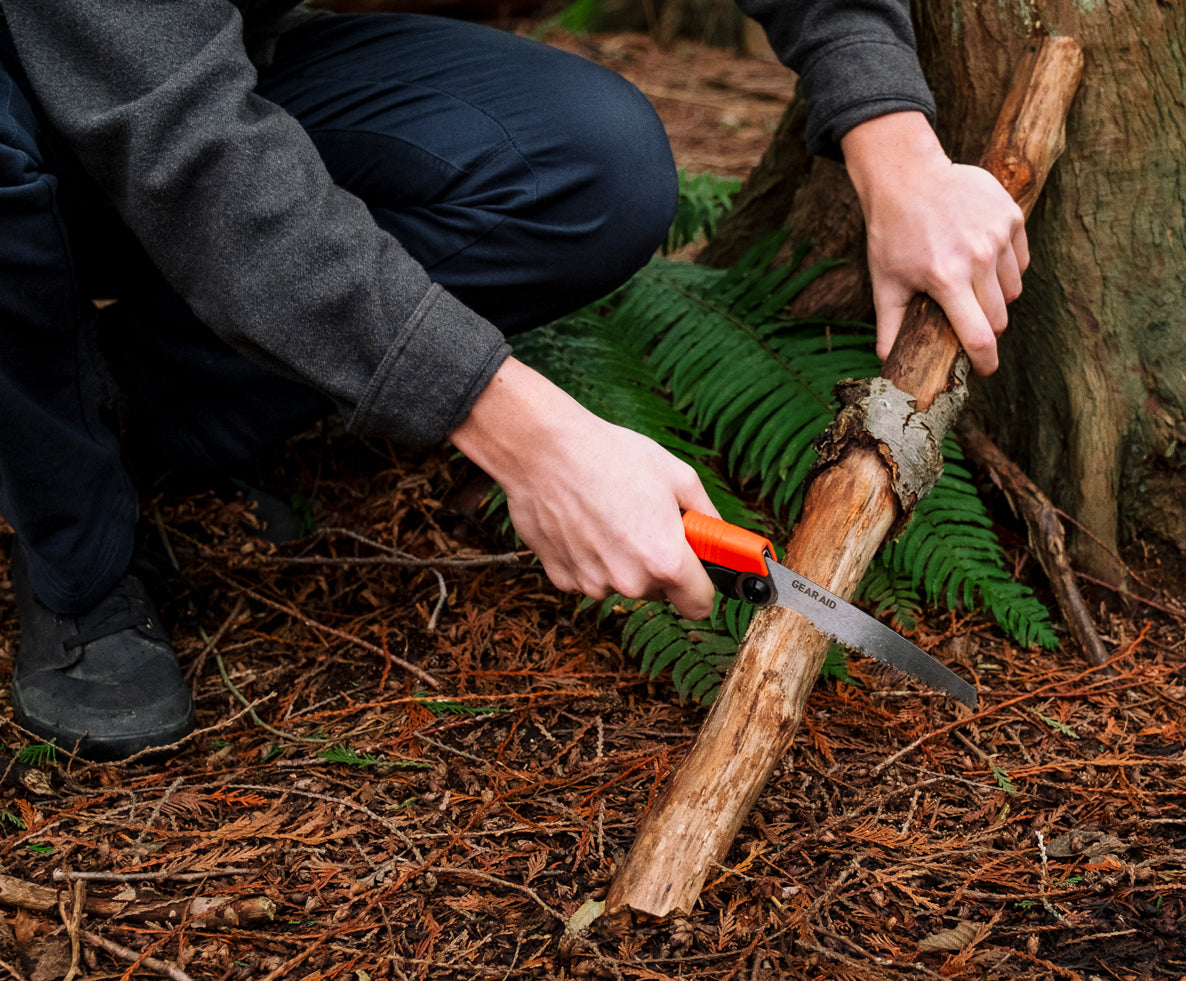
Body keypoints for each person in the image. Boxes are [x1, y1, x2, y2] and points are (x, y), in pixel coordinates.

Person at [0, 0, 1029, 760]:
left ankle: (119, 413)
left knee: (592, 165)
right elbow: (196, 162)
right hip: (97, 110)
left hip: (194, 79)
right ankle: (74, 546)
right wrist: (526, 434)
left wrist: (891, 140)